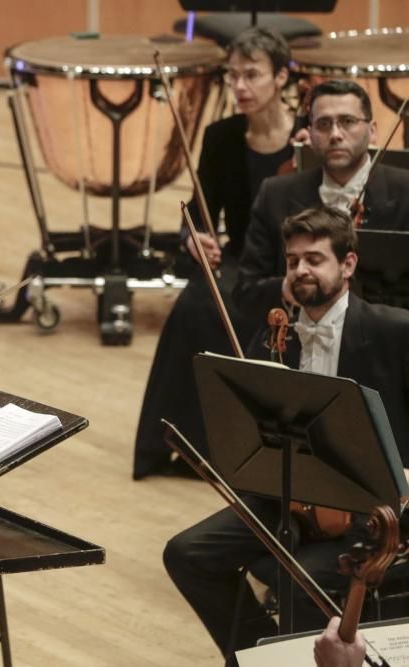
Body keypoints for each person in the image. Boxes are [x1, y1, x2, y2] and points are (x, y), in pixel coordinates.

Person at [164, 207, 409, 664]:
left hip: (370, 508)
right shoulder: (276, 337)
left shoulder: (393, 331)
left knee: (299, 577)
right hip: (286, 498)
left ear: (348, 265)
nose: (301, 271)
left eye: (315, 259)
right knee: (185, 554)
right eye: (293, 261)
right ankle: (263, 652)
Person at [132, 27, 296, 478]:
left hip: (296, 263)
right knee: (194, 306)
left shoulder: (305, 138)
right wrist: (195, 239)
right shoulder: (223, 136)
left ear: (281, 78)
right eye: (233, 76)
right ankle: (185, 445)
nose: (240, 87)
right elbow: (201, 214)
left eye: (252, 75)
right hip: (244, 256)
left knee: (257, 307)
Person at [234, 78, 409, 321]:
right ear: (310, 132)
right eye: (324, 124)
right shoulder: (275, 194)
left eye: (348, 122)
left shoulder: (405, 191)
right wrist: (289, 286)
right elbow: (245, 291)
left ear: (372, 131)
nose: (335, 134)